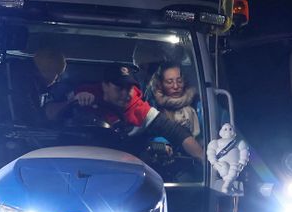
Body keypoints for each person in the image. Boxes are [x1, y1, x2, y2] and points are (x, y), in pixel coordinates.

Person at [70, 65, 206, 159]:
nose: (126, 94)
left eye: (129, 87)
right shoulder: (83, 97)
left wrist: (202, 158)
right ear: (104, 86)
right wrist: (74, 101)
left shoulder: (141, 110)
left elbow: (177, 133)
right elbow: (50, 114)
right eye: (119, 88)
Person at [148, 64, 201, 138]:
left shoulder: (199, 104)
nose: (176, 86)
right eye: (169, 82)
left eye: (179, 81)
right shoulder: (153, 109)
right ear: (161, 85)